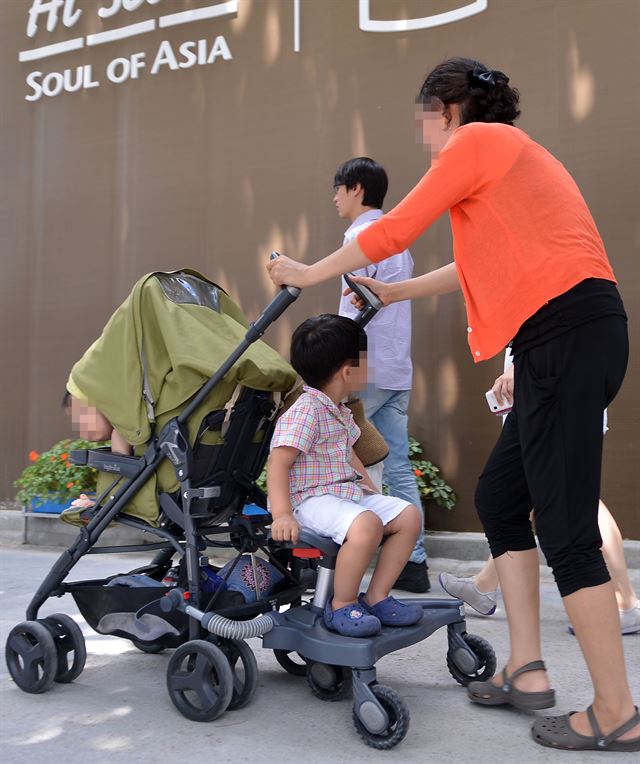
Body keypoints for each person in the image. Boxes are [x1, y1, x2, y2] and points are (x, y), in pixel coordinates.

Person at [267, 58, 638, 751]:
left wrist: (307, 272)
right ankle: (527, 672)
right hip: (564, 339)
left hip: (565, 336)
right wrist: (398, 294)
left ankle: (616, 710)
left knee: (565, 530)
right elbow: (476, 266)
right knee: (501, 498)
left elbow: (395, 229)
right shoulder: (509, 163)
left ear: (449, 110)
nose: (425, 139)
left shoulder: (479, 142)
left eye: (425, 123)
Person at [439, 363, 640, 634]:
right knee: (531, 492)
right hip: (543, 388)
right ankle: (485, 584)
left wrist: (517, 368)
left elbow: (542, 326)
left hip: (546, 388)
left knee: (562, 494)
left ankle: (625, 602)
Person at [267, 314, 423, 637]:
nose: (371, 369)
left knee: (407, 516)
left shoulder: (337, 408)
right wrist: (281, 513)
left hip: (342, 496)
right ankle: (342, 604)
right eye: (367, 362)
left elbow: (348, 451)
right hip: (309, 499)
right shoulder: (306, 410)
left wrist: (367, 484)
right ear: (348, 372)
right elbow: (279, 461)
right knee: (366, 524)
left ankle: (376, 596)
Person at [333, 156, 430, 593]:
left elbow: (351, 313)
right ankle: (413, 562)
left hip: (363, 368)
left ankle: (350, 556)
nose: (334, 198)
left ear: (356, 189)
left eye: (338, 189)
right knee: (398, 465)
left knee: (343, 457)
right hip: (396, 367)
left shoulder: (360, 237)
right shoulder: (398, 239)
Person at [63, 389, 132, 510]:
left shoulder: (120, 434)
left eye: (83, 414)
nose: (81, 426)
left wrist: (97, 506)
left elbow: (121, 486)